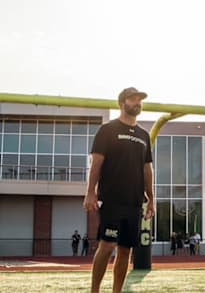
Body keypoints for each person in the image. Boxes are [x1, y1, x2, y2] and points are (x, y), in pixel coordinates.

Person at [83, 87, 155, 293]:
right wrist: (90, 192)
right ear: (122, 103)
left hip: (134, 201)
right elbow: (96, 162)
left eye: (140, 99)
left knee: (125, 250)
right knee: (106, 245)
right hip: (112, 198)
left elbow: (147, 168)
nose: (137, 102)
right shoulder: (107, 130)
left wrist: (152, 198)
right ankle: (94, 290)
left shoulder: (143, 135)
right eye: (133, 99)